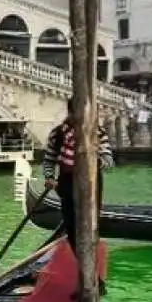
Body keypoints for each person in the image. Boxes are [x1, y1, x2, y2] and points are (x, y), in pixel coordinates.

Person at [42, 96, 115, 242]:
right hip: (67, 182)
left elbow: (109, 160)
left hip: (92, 181)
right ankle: (77, 252)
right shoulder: (57, 134)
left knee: (90, 223)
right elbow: (48, 161)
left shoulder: (97, 132)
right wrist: (49, 177)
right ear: (70, 112)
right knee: (72, 226)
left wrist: (92, 162)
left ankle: (87, 256)